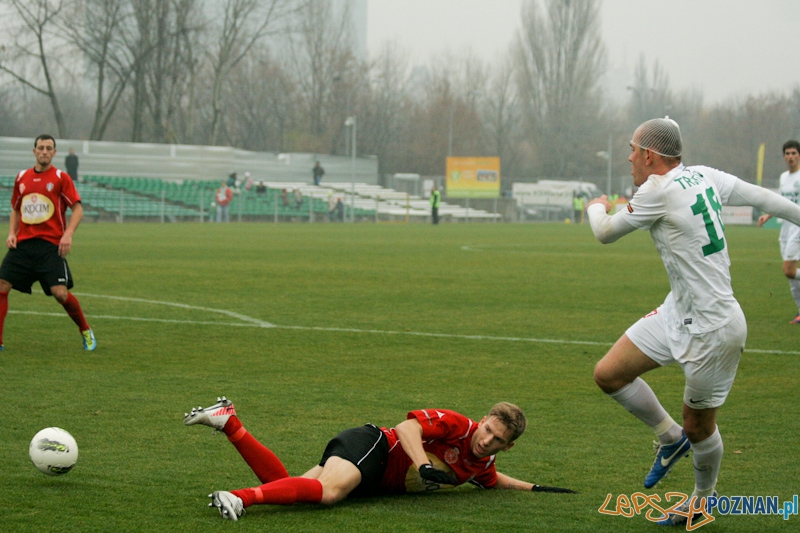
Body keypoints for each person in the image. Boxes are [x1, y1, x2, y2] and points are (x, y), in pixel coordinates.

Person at [586, 117, 800, 526]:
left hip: (713, 328)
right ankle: (669, 439)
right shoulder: (704, 175)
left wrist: (597, 206)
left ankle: (702, 500)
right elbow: (765, 199)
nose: (629, 157)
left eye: (633, 149)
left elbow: (605, 232)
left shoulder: (656, 190)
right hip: (676, 311)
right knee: (609, 374)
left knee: (699, 427)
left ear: (649, 155)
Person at [184, 396, 574, 521]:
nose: (486, 440)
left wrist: (536, 487)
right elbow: (407, 429)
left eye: (497, 440)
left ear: (507, 447)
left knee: (292, 487)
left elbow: (494, 480)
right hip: (372, 446)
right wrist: (422, 464)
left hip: (369, 474)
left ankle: (230, 423)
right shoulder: (458, 425)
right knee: (330, 493)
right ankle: (239, 497)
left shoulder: (482, 464)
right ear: (485, 419)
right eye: (488, 429)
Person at [0, 134, 96, 351]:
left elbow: (78, 210)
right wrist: (11, 233)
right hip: (23, 246)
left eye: (49, 148)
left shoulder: (61, 178)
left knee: (60, 293)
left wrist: (68, 234)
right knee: (1, 286)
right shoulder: (21, 177)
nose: (44, 151)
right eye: (41, 148)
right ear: (34, 151)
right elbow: (16, 208)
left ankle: (86, 331)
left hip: (50, 246)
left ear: (54, 153)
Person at [758, 140, 800, 324]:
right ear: (784, 156)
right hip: (786, 228)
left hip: (798, 227)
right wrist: (768, 216)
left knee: (789, 270)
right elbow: (781, 203)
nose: (790, 157)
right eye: (788, 153)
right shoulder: (784, 178)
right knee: (791, 277)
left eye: (794, 153)